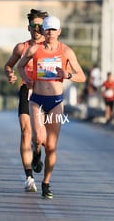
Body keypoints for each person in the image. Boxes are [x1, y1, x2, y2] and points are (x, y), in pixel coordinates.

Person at [17, 15, 86, 199]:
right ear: (43, 31)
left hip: (56, 102)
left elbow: (82, 76)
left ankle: (46, 182)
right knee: (39, 137)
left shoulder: (67, 52)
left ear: (59, 31)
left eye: (54, 30)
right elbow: (20, 66)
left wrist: (68, 75)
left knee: (52, 147)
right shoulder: (35, 49)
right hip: (37, 99)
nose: (50, 33)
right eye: (47, 29)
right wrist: (27, 78)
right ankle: (36, 151)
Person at [3, 9, 48, 192]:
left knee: (40, 139)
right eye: (33, 26)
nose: (36, 29)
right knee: (25, 131)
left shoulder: (51, 48)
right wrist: (10, 74)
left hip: (45, 93)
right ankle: (29, 177)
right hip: (26, 91)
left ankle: (37, 153)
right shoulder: (21, 48)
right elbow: (8, 65)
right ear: (28, 27)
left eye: (40, 26)